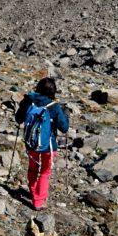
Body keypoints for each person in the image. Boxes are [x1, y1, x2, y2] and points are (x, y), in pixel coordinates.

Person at [14, 77, 69, 210]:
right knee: (45, 172)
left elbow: (18, 119)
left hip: (31, 143)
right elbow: (64, 127)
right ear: (53, 91)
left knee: (33, 168)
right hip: (48, 146)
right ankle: (38, 201)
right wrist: (65, 114)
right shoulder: (54, 106)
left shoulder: (28, 101)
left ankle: (34, 192)